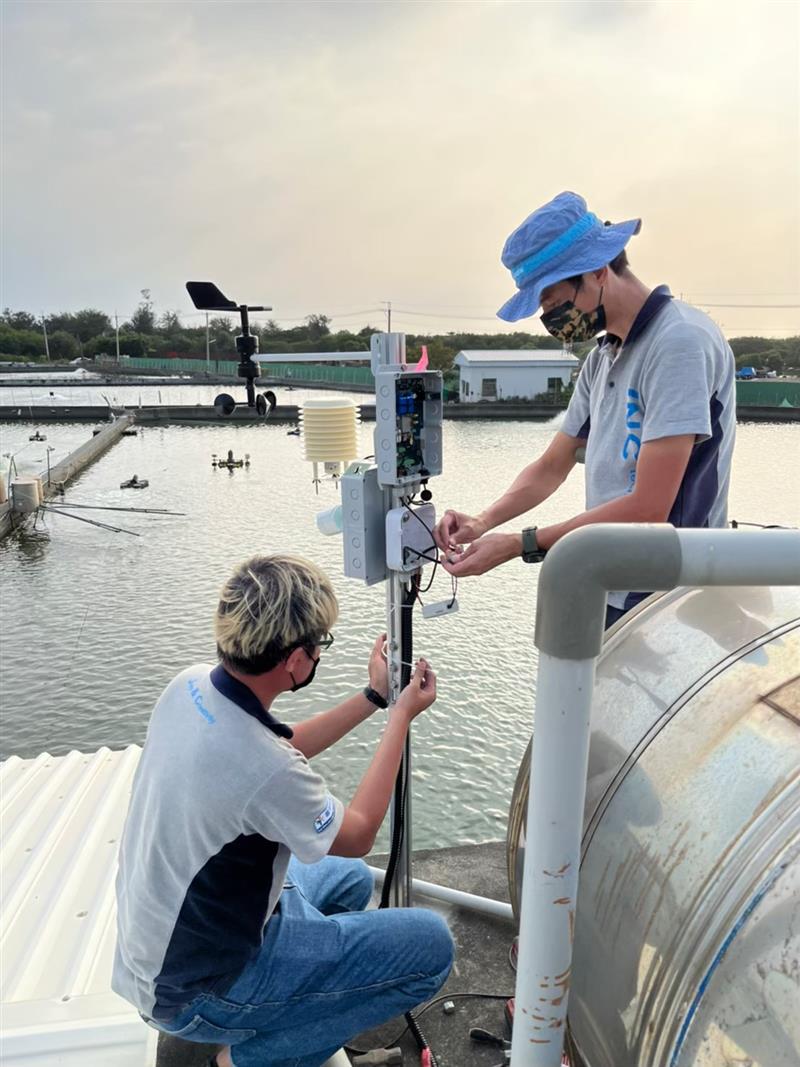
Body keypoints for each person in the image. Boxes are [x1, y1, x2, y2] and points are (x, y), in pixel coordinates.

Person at [112, 554, 453, 1067]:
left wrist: (375, 697)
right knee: (431, 948)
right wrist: (400, 717)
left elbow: (280, 744)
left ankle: (297, 1000)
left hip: (161, 949)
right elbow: (358, 831)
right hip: (197, 990)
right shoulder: (261, 766)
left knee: (351, 881)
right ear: (295, 660)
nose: (319, 655)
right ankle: (248, 1058)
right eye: (319, 647)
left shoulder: (189, 687)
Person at [435, 191, 736, 628]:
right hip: (615, 580)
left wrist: (522, 544)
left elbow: (650, 506)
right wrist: (483, 521)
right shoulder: (603, 357)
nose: (551, 318)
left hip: (671, 593)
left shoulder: (678, 343)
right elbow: (552, 465)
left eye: (553, 302)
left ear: (598, 270)